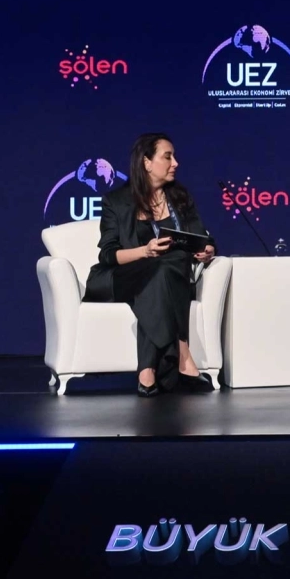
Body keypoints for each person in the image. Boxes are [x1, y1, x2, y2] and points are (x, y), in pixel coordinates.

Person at [83, 133, 219, 396]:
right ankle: (182, 352)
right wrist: (145, 251)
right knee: (165, 266)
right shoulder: (116, 201)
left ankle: (147, 371)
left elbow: (200, 235)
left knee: (167, 267)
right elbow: (108, 255)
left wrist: (208, 249)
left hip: (163, 277)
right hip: (120, 277)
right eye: (168, 157)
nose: (175, 163)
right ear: (146, 162)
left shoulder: (179, 197)